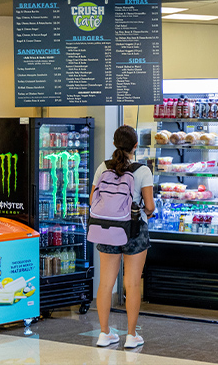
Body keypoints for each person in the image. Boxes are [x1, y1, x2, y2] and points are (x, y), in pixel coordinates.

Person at [90, 125, 155, 349]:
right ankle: (131, 335)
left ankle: (104, 333)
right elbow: (150, 206)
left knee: (106, 283)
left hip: (107, 230)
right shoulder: (142, 171)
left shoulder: (102, 167)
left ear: (116, 144)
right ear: (135, 146)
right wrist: (141, 213)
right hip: (134, 232)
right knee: (132, 284)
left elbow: (93, 201)